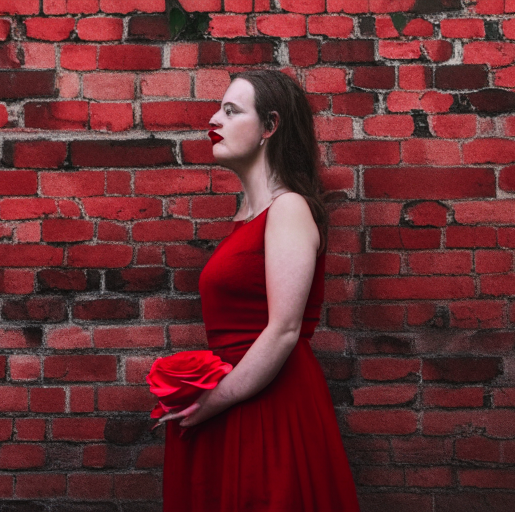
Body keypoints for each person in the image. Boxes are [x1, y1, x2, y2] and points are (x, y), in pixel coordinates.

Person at [154, 69, 361, 512]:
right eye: (218, 109)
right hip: (242, 395)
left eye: (231, 111)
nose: (214, 119)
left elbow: (284, 330)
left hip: (270, 404)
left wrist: (210, 404)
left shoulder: (287, 208)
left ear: (270, 126)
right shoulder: (249, 215)